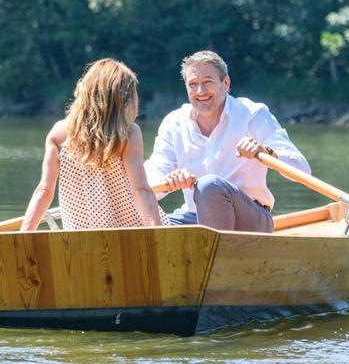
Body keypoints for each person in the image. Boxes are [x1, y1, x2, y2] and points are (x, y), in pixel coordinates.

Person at [145, 50, 311, 232]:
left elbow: (303, 170)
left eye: (207, 82)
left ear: (226, 83)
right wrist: (168, 180)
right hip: (195, 217)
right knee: (143, 222)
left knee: (209, 185)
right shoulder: (173, 123)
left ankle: (220, 255)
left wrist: (266, 152)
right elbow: (150, 180)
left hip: (250, 219)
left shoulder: (253, 114)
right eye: (193, 84)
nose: (200, 91)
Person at [21, 59, 166, 231]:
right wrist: (159, 235)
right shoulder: (128, 134)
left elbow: (44, 192)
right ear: (122, 99)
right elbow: (140, 190)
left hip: (81, 239)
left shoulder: (57, 134)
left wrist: (23, 237)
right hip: (130, 234)